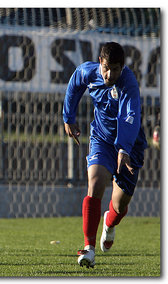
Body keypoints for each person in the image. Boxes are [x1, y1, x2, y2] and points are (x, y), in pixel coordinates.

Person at [63, 42, 147, 268]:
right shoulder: (88, 71)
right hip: (101, 139)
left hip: (129, 146)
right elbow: (74, 84)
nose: (111, 74)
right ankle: (88, 249)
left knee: (120, 206)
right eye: (107, 67)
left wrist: (124, 148)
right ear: (101, 62)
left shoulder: (128, 83)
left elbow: (130, 116)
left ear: (123, 67)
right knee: (95, 182)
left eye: (117, 69)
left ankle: (109, 224)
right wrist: (68, 117)